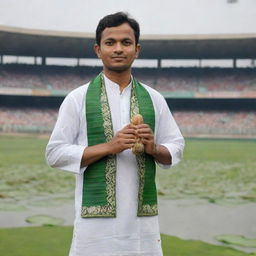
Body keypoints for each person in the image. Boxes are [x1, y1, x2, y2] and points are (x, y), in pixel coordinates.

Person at [46, 12, 184, 256]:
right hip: (94, 230)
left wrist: (154, 148)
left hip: (143, 228)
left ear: (137, 49)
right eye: (110, 43)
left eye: (126, 42)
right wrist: (110, 146)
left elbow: (176, 147)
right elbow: (54, 153)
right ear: (98, 50)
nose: (118, 49)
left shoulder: (154, 99)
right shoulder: (77, 98)